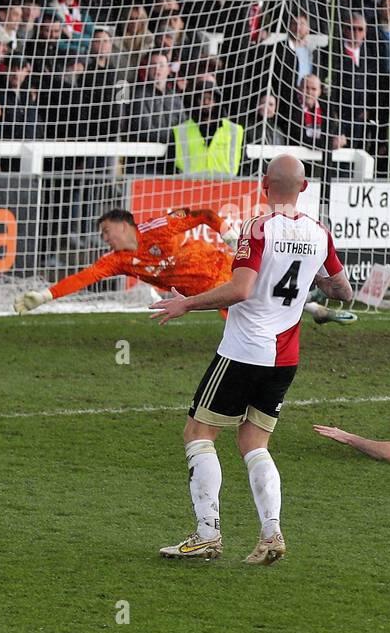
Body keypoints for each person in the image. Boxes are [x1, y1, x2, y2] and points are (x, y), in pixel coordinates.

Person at [148, 155, 355, 564]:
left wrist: (186, 304)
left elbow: (241, 290)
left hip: (245, 349)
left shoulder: (257, 229)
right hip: (285, 357)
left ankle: (207, 534)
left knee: (198, 433)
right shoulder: (319, 233)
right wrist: (311, 276)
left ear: (264, 185)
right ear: (305, 186)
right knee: (253, 441)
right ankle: (271, 533)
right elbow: (343, 293)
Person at [14, 205, 356, 325]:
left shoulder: (162, 226)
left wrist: (226, 231)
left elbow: (205, 214)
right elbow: (84, 278)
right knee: (258, 310)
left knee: (260, 305)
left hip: (226, 269)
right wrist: (44, 296)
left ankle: (316, 306)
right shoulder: (118, 261)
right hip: (208, 294)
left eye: (106, 232)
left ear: (122, 225)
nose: (105, 239)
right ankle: (315, 309)